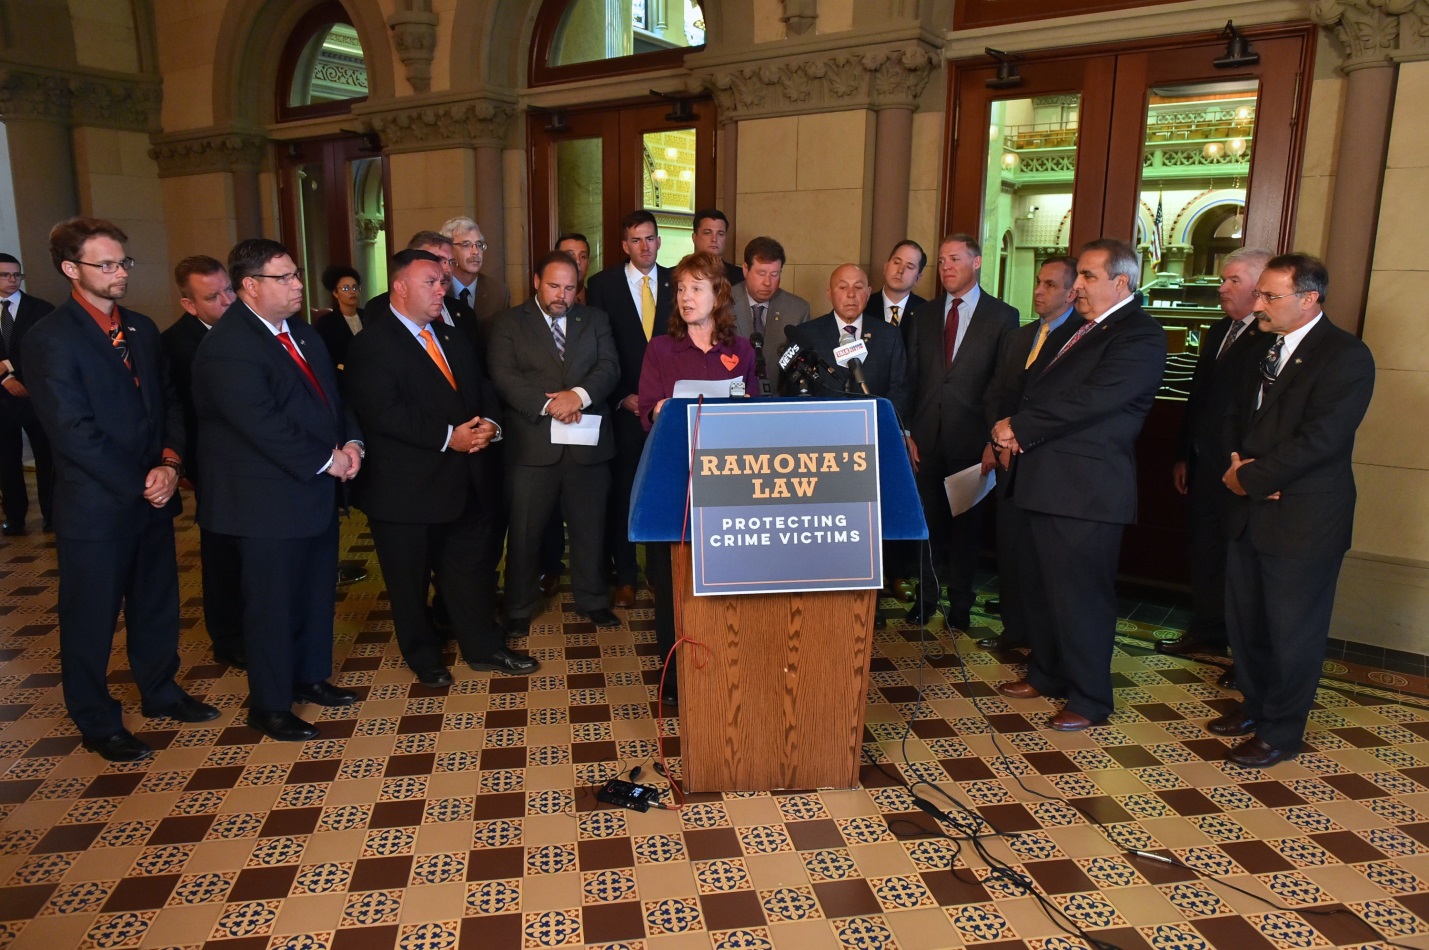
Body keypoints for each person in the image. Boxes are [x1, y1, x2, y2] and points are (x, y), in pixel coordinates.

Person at [26, 217, 218, 762]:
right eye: (105, 264)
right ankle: (96, 719)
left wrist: (169, 463)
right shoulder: (49, 337)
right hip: (96, 506)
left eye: (122, 263)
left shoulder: (139, 328)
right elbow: (72, 431)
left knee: (156, 603)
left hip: (153, 494)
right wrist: (142, 481)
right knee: (90, 617)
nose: (118, 273)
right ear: (71, 269)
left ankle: (160, 691)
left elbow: (169, 404)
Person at [192, 238, 364, 743]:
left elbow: (335, 397)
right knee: (270, 605)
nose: (297, 285)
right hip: (263, 503)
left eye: (295, 275)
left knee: (313, 593)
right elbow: (258, 423)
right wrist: (327, 460)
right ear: (250, 286)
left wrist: (351, 441)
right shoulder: (229, 345)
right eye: (284, 278)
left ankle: (309, 677)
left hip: (311, 494)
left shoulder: (303, 333)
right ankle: (269, 705)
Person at [991, 238, 1166, 731]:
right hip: (1048, 482)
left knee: (1081, 597)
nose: (1077, 288)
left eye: (1087, 277)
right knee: (1045, 589)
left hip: (1086, 490)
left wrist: (1020, 427)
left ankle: (1090, 698)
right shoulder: (1089, 328)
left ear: (1121, 283)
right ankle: (1047, 673)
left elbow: (1092, 400)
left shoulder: (1138, 335)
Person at [346, 249, 537, 686]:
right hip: (405, 490)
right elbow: (384, 413)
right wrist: (451, 436)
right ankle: (423, 655)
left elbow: (482, 386)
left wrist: (489, 421)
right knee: (408, 581)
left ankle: (484, 647)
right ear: (400, 287)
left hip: (465, 481)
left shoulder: (450, 336)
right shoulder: (372, 344)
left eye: (442, 281)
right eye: (430, 281)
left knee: (470, 571)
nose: (442, 288)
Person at [1212, 253, 1375, 767]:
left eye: (1270, 296)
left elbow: (1321, 438)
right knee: (1248, 623)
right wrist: (1238, 473)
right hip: (1250, 511)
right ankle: (1257, 706)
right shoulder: (1259, 346)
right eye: (1258, 293)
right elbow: (1231, 415)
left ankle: (1283, 730)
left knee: (1291, 631)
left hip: (1304, 518)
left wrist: (1254, 479)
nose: (1257, 304)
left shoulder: (1345, 355)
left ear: (1309, 299)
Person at [638, 252, 759, 705]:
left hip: (727, 483)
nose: (685, 298)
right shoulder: (661, 349)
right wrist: (663, 409)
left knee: (725, 577)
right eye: (680, 290)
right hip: (676, 480)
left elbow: (754, 410)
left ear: (718, 295)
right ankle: (673, 678)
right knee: (675, 579)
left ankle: (727, 664)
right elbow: (647, 407)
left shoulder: (741, 349)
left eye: (695, 288)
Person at [488, 250, 621, 636]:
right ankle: (518, 605)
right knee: (525, 532)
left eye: (569, 287)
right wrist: (550, 404)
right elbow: (503, 374)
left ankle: (594, 599)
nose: (561, 295)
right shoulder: (509, 323)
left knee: (591, 529)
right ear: (535, 282)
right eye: (553, 285)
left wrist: (577, 395)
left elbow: (609, 366)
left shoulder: (595, 319)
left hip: (587, 445)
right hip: (532, 448)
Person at [1161, 247, 1272, 677]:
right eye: (1223, 280)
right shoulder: (1217, 329)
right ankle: (1206, 629)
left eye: (1233, 281)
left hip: (1241, 471)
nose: (1222, 288)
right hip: (1203, 463)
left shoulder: (1269, 337)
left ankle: (1241, 653)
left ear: (1261, 287)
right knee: (1205, 549)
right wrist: (1182, 454)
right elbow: (1198, 399)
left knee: (1238, 561)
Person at [904, 233, 1018, 629]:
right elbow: (912, 378)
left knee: (967, 530)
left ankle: (961, 606)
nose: (946, 267)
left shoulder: (1002, 317)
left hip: (973, 444)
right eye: (941, 260)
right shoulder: (924, 314)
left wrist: (992, 440)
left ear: (977, 262)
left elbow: (1003, 385)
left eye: (955, 258)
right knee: (926, 524)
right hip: (926, 440)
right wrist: (907, 432)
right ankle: (926, 598)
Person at [976, 256, 1079, 654]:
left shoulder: (1076, 338)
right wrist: (997, 441)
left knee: (1041, 557)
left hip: (1045, 464)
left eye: (1050, 285)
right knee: (1012, 548)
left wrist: (1021, 440)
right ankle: (1013, 629)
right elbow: (996, 394)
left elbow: (1061, 406)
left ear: (1072, 293)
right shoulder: (1019, 337)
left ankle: (1042, 641)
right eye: (1038, 282)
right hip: (1007, 461)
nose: (1038, 290)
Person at [585, 210, 674, 608]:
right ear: (625, 246)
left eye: (651, 238)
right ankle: (625, 575)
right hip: (622, 409)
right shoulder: (601, 286)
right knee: (623, 492)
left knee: (662, 490)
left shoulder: (677, 283)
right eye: (636, 239)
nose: (645, 246)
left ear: (659, 241)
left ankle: (659, 574)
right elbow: (598, 349)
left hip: (667, 411)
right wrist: (622, 394)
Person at [161, 255, 245, 668]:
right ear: (189, 304)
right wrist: (189, 470)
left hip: (252, 467)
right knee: (223, 557)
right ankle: (228, 638)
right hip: (212, 469)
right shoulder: (176, 344)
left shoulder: (245, 329)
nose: (227, 300)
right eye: (213, 296)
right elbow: (180, 412)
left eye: (229, 289)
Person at [784, 263, 910, 415]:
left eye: (858, 287)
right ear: (829, 293)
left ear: (868, 292)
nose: (851, 294)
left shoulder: (889, 335)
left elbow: (899, 390)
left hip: (874, 428)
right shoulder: (807, 334)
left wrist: (883, 422)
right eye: (843, 287)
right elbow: (795, 392)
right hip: (822, 428)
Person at [0, 252, 55, 534]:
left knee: (47, 456)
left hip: (35, 394)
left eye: (16, 275)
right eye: (5, 275)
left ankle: (51, 514)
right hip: (1, 399)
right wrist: (3, 377)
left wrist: (10, 369)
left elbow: (45, 349)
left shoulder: (41, 309)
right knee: (6, 461)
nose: (12, 280)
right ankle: (15, 516)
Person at [732, 236, 810, 394]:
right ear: (745, 269)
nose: (768, 282)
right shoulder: (721, 303)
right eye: (761, 273)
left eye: (774, 274)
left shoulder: (797, 310)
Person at [442, 216, 509, 345]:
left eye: (479, 245)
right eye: (466, 245)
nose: (475, 252)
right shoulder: (439, 289)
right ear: (448, 250)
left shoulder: (498, 292)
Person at [865, 240, 928, 343]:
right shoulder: (864, 305)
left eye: (909, 267)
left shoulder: (926, 312)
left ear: (918, 278)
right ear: (885, 267)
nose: (900, 270)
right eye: (896, 262)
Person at [313, 264, 365, 375]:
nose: (352, 292)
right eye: (346, 288)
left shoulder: (369, 316)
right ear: (335, 293)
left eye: (355, 287)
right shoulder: (326, 323)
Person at [692, 208, 743, 286]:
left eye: (720, 234)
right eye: (707, 233)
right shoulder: (676, 274)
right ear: (694, 237)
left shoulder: (741, 278)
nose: (714, 239)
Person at [556, 232, 592, 305]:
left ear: (588, 263)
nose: (577, 261)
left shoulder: (597, 300)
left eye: (583, 256)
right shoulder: (546, 301)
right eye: (569, 255)